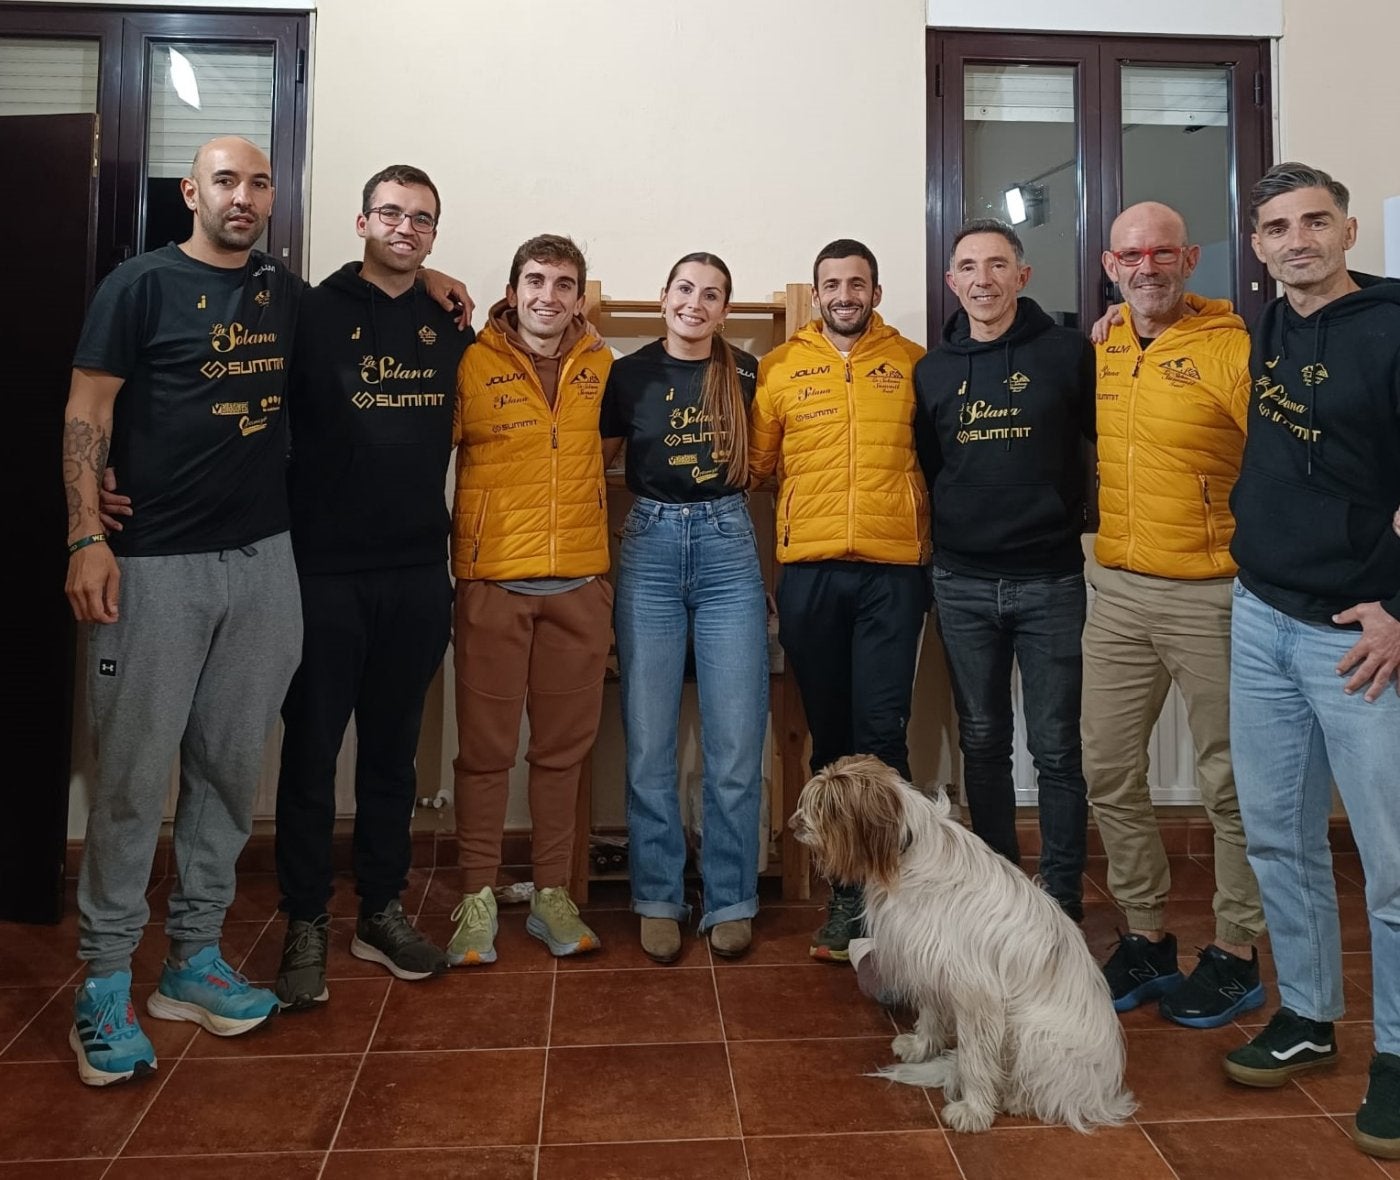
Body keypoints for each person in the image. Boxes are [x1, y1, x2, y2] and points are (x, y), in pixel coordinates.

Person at [62, 136, 302, 1085]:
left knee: (229, 774)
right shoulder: (140, 286)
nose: (243, 197)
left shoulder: (285, 294)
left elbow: (384, 288)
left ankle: (191, 963)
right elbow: (87, 410)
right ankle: (105, 985)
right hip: (153, 568)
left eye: (258, 183)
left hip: (266, 565)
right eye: (226, 182)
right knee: (130, 781)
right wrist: (86, 533)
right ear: (190, 191)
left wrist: (443, 274)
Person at [1221, 162, 1400, 1161]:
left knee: (1390, 866)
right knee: (1278, 839)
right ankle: (1307, 1016)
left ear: (1343, 231)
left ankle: (1399, 1056)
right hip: (1258, 618)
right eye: (1276, 227)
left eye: (1314, 222)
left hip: (1356, 642)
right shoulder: (1263, 326)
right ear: (1255, 246)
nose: (1296, 241)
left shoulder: (1388, 327)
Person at [269, 165, 473, 1007]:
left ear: (433, 236)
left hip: (420, 571)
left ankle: (380, 910)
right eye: (391, 213)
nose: (405, 227)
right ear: (361, 222)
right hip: (322, 572)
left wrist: (434, 283)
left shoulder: (449, 319)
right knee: (313, 754)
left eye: (421, 220)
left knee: (393, 753)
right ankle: (306, 919)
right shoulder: (308, 313)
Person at [1085, 201, 1266, 1028]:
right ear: (1109, 264)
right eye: (1131, 255)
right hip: (1116, 587)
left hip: (1211, 592)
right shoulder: (1107, 342)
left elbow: (1290, 455)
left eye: (1161, 252)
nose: (1146, 266)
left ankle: (1236, 952)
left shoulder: (1233, 349)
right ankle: (1148, 936)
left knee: (1230, 782)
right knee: (1110, 771)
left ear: (1190, 258)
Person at [748, 239, 930, 961]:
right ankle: (848, 896)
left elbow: (940, 456)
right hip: (811, 572)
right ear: (817, 294)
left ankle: (905, 897)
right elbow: (762, 467)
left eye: (858, 283)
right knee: (829, 741)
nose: (845, 294)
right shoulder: (780, 368)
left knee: (882, 735)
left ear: (876, 292)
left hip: (893, 571)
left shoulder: (915, 365)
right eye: (832, 284)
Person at [913, 218, 1095, 922]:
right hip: (960, 581)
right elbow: (935, 469)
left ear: (1022, 275)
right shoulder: (932, 370)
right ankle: (999, 891)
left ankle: (1063, 897)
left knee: (1055, 747)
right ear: (952, 282)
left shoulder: (1069, 355)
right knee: (982, 741)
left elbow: (1105, 438)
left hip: (1050, 578)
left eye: (997, 265)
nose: (982, 279)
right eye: (968, 267)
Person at [445, 234, 613, 966]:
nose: (550, 296)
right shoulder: (468, 363)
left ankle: (551, 894)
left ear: (580, 295)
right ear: (512, 290)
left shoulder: (605, 369)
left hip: (580, 584)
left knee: (562, 755)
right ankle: (477, 896)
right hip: (491, 585)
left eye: (565, 283)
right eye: (535, 281)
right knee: (484, 754)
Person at [600, 252, 767, 963]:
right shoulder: (628, 373)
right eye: (684, 290)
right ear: (664, 297)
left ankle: (730, 898)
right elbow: (595, 465)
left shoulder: (751, 374)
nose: (695, 304)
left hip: (730, 547)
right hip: (651, 547)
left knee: (735, 742)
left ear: (725, 310)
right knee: (648, 740)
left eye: (711, 295)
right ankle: (658, 896)